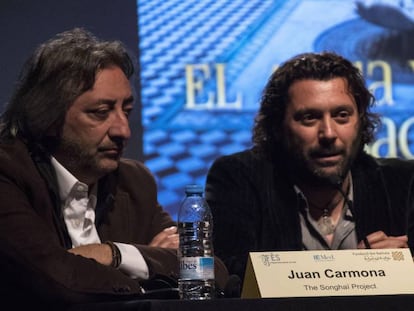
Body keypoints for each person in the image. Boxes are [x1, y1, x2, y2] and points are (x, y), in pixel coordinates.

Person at [0, 27, 228, 307]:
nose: (123, 131)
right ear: (47, 117)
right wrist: (147, 280)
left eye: (127, 111)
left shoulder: (133, 181)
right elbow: (56, 281)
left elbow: (211, 270)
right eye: (101, 112)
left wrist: (114, 254)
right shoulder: (8, 172)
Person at [205, 51, 414, 284]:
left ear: (361, 120)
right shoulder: (238, 177)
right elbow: (230, 273)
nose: (329, 133)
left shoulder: (403, 182)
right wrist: (359, 267)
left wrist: (406, 267)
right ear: (278, 126)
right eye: (309, 118)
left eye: (342, 116)